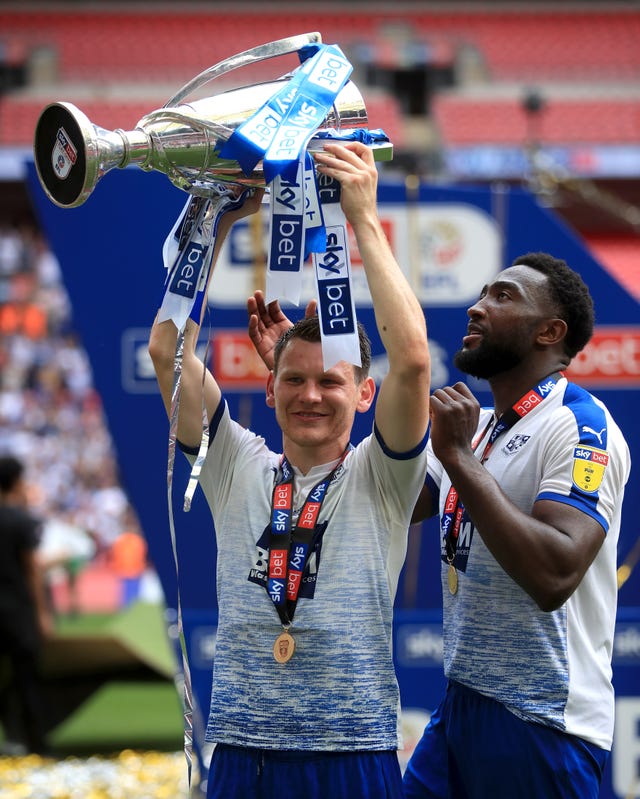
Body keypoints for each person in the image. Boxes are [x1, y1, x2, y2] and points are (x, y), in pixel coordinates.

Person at [252, 251, 630, 799]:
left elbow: (554, 574)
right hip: (462, 706)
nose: (477, 308)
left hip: (542, 721)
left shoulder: (580, 425)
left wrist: (458, 459)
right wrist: (308, 376)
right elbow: (363, 500)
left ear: (551, 331)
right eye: (482, 293)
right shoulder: (480, 432)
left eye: (503, 297)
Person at [149, 141, 431, 799]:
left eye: (331, 382)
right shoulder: (235, 465)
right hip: (243, 757)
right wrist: (214, 218)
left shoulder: (381, 478)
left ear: (365, 393)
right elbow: (168, 347)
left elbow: (413, 359)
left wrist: (362, 217)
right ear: (270, 386)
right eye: (293, 379)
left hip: (352, 754)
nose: (309, 394)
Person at [0, 454, 53, 755]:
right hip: (18, 611)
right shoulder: (22, 520)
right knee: (27, 680)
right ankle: (38, 744)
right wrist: (43, 614)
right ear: (18, 482)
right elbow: (33, 570)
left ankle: (11, 736)